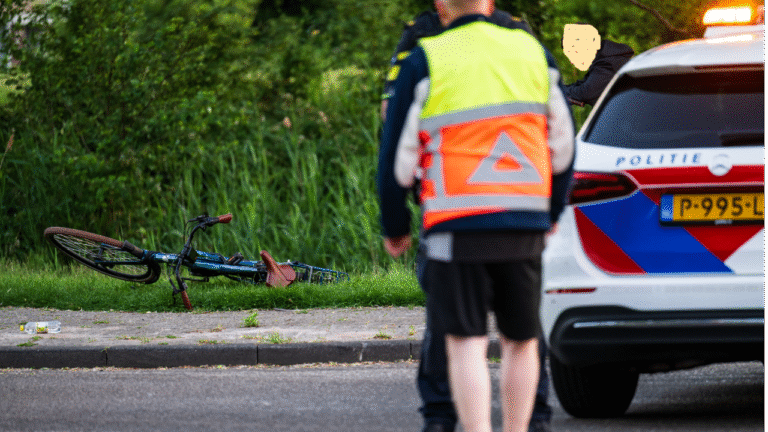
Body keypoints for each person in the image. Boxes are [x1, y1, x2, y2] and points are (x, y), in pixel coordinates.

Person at [377, 0, 575, 431]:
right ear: (489, 3)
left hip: (455, 224)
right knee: (522, 341)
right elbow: (563, 144)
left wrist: (395, 225)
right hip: (524, 223)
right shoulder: (530, 50)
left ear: (440, 5)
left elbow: (396, 154)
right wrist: (553, 210)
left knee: (465, 342)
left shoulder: (426, 56)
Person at [560, 23, 634, 106]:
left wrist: (559, 92)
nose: (572, 61)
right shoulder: (604, 60)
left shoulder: (609, 63)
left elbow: (586, 92)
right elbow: (583, 84)